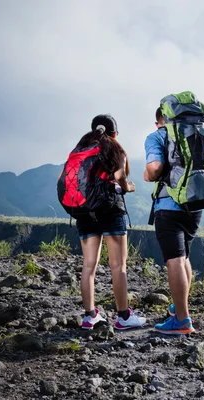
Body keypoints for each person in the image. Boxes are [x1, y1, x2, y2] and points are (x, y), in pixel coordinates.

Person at [144, 106, 204, 335]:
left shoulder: (158, 136)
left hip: (169, 207)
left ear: (159, 120)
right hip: (195, 205)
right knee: (184, 257)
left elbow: (154, 169)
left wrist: (148, 174)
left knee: (175, 260)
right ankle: (180, 308)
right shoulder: (199, 134)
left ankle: (181, 319)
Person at [74, 114, 147, 330]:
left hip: (85, 211)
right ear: (114, 133)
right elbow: (119, 176)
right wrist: (128, 187)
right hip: (109, 210)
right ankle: (123, 317)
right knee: (118, 266)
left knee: (88, 266)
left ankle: (89, 316)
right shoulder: (116, 150)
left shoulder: (80, 150)